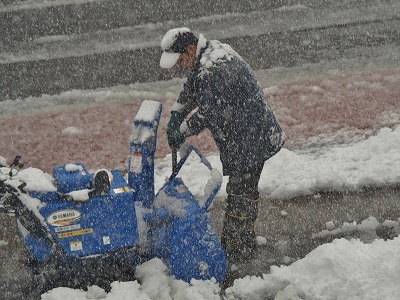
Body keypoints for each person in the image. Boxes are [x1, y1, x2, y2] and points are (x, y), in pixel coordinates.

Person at [159, 27, 285, 264]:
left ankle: (236, 251)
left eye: (179, 60)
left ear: (189, 50)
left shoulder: (214, 68)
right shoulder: (209, 54)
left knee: (240, 193)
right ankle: (242, 241)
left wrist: (183, 130)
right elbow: (194, 87)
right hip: (246, 135)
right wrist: (178, 112)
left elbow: (210, 111)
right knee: (243, 191)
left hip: (250, 139)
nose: (179, 66)